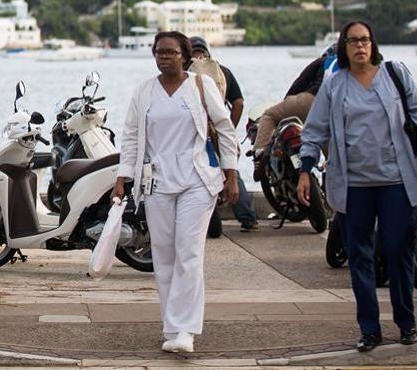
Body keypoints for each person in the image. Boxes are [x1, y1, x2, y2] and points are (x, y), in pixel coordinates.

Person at [296, 20, 417, 352]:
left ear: (373, 44)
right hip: (353, 185)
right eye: (353, 41)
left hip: (396, 181)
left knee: (397, 250)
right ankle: (369, 328)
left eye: (365, 40)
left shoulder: (395, 74)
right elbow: (315, 129)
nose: (360, 46)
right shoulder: (335, 85)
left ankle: (406, 323)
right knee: (359, 257)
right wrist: (305, 170)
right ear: (343, 47)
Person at [114, 31, 241, 354]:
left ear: (185, 56)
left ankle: (186, 330)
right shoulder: (144, 92)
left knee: (189, 252)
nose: (164, 57)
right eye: (159, 52)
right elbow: (130, 137)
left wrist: (232, 175)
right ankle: (171, 327)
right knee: (165, 255)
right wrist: (122, 177)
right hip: (156, 182)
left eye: (171, 52)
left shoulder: (201, 86)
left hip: (197, 182)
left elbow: (225, 129)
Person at [189, 36, 259, 232]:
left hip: (198, 133)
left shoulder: (185, 73)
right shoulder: (222, 71)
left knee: (202, 175)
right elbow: (239, 102)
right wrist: (228, 127)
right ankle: (248, 218)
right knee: (231, 172)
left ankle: (212, 225)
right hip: (220, 132)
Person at [252, 45, 338, 158]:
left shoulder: (322, 61)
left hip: (312, 100)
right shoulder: (351, 67)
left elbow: (299, 84)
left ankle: (260, 153)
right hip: (336, 110)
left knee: (270, 115)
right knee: (331, 156)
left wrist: (286, 102)